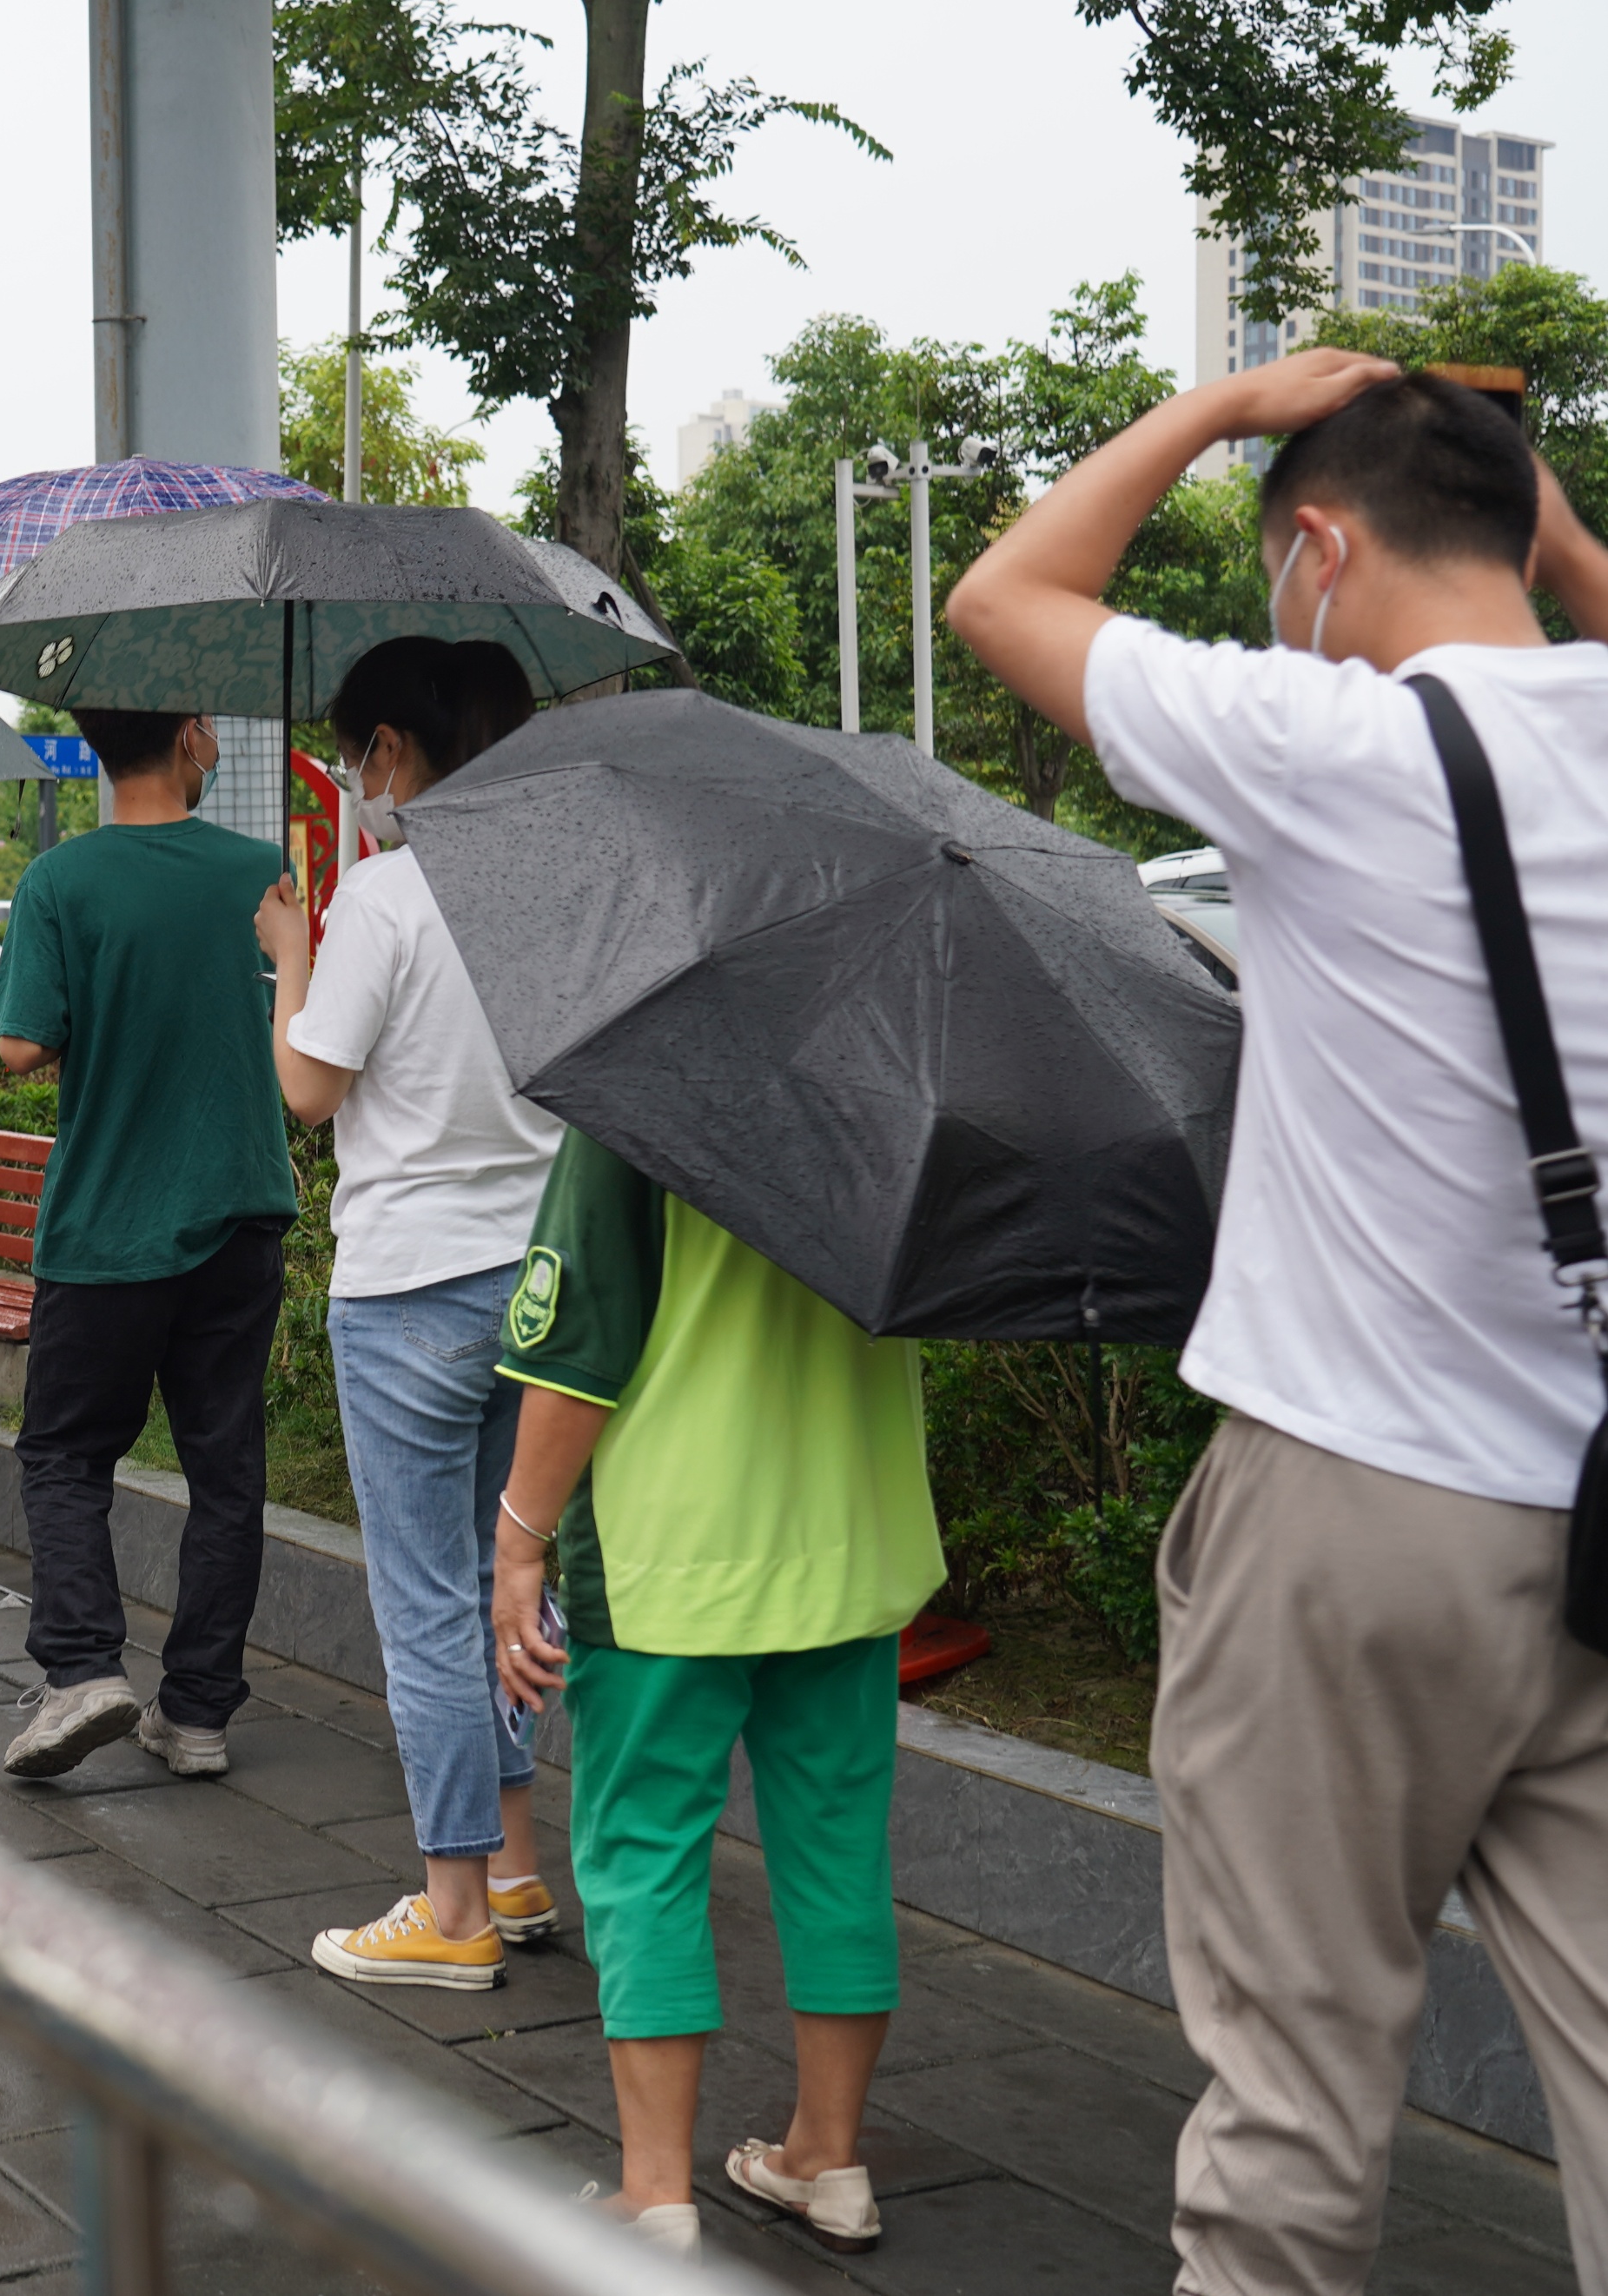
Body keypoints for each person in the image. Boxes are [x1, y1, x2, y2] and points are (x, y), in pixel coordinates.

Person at [951, 354, 1608, 2294]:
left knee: (1294, 2106)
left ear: (1318, 549)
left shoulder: (1327, 742)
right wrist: (1553, 528)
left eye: (1271, 570)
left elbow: (1004, 597)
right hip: (1595, 1511)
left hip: (1355, 1515)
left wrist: (1217, 409)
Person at [490, 1127, 943, 2258]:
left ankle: (655, 2194)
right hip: (848, 1536)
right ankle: (827, 2159)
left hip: (670, 1553)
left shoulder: (641, 1097)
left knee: (643, 1854)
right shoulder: (899, 1095)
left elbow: (575, 1354)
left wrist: (518, 1538)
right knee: (838, 1853)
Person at [259, 637, 567, 1994]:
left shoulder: (385, 896)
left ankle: (451, 1910)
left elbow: (309, 1088)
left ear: (389, 749)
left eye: (350, 754)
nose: (348, 778)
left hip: (408, 1290)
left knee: (428, 1601)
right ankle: (513, 1864)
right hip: (537, 1282)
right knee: (512, 1573)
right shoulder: (551, 890)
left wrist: (289, 953)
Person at [0, 707, 294, 1779]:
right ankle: (198, 1713)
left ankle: (83, 1671)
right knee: (225, 1470)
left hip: (106, 1226)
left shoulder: (57, 881)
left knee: (65, 1454)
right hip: (239, 1209)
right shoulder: (260, 871)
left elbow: (19, 1046)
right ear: (188, 737)